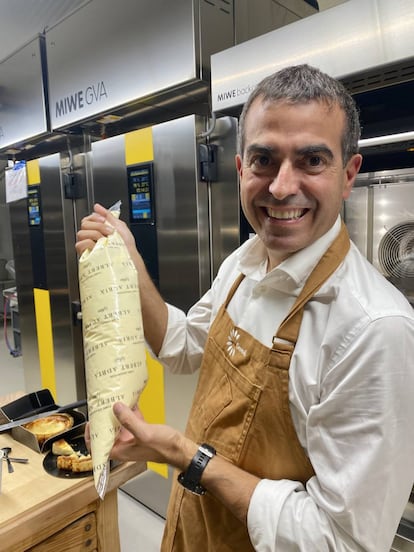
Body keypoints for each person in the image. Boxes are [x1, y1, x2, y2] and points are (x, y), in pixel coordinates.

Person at [76, 64, 414, 551]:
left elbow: (341, 543)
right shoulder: (244, 262)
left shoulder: (373, 330)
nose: (280, 186)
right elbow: (181, 345)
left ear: (348, 175)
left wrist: (182, 452)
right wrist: (127, 261)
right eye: (264, 160)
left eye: (312, 160)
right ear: (241, 170)